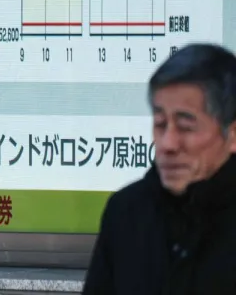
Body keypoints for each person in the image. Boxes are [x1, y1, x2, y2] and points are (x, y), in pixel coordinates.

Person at [83, 43, 236, 294]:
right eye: (160, 124)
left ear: (232, 134)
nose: (168, 144)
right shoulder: (126, 212)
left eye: (186, 127)